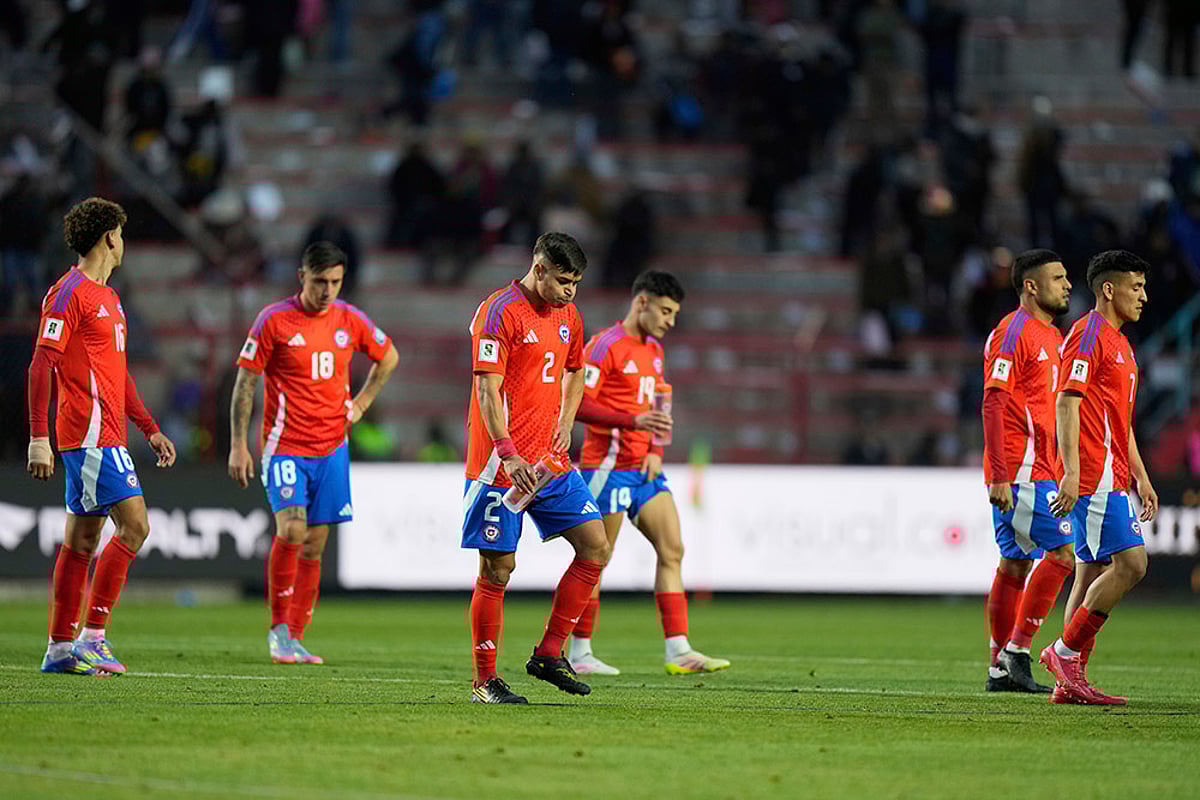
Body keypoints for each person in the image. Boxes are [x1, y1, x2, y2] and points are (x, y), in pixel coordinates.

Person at [228, 241, 398, 666]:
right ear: (301, 276)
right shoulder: (274, 320)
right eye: (320, 281)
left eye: (336, 282)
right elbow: (246, 384)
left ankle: (296, 637)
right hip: (285, 446)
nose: (327, 290)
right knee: (291, 531)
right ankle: (279, 630)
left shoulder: (349, 319)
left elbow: (389, 356)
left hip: (332, 447)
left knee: (315, 544)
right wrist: (237, 444)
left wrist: (360, 404)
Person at [27, 197, 177, 675]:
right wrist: (37, 437)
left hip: (106, 432)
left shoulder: (110, 299)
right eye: (122, 234)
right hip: (90, 434)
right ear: (111, 237)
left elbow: (119, 376)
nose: (123, 243)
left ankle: (58, 649)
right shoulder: (68, 292)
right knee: (135, 527)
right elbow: (40, 364)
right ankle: (93, 635)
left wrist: (149, 428)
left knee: (82, 541)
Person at [463, 232, 612, 704]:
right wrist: (507, 450)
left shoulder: (569, 315)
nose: (570, 291)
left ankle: (549, 653)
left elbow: (575, 371)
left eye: (577, 283)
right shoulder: (499, 311)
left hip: (549, 462)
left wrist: (566, 424)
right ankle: (485, 680)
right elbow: (488, 388)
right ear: (539, 268)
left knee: (595, 547)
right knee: (498, 569)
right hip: (500, 466)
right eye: (563, 280)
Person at [570, 270, 730, 676]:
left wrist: (656, 448)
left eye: (674, 313)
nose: (670, 321)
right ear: (641, 302)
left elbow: (660, 402)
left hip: (643, 469)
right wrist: (633, 421)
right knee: (595, 558)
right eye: (665, 311)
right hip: (607, 466)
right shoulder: (603, 346)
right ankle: (579, 652)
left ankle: (678, 650)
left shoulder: (654, 350)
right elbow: (576, 406)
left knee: (673, 549)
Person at [1043, 250, 1158, 705]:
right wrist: (1071, 472)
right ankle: (1065, 653)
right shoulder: (1088, 334)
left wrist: (1140, 476)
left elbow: (1119, 420)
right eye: (1136, 287)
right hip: (1091, 474)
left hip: (1111, 472)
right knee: (1132, 565)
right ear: (1109, 289)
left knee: (1089, 571)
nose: (1144, 297)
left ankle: (1067, 680)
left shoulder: (1120, 344)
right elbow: (1066, 401)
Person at [980, 249, 1075, 694]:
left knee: (1015, 564)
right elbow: (994, 401)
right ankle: (1017, 650)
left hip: (1041, 468)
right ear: (1031, 286)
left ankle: (1000, 667)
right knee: (1061, 554)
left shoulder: (1054, 336)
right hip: (1021, 471)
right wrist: (999, 473)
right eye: (1058, 278)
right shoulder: (1012, 332)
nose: (1068, 285)